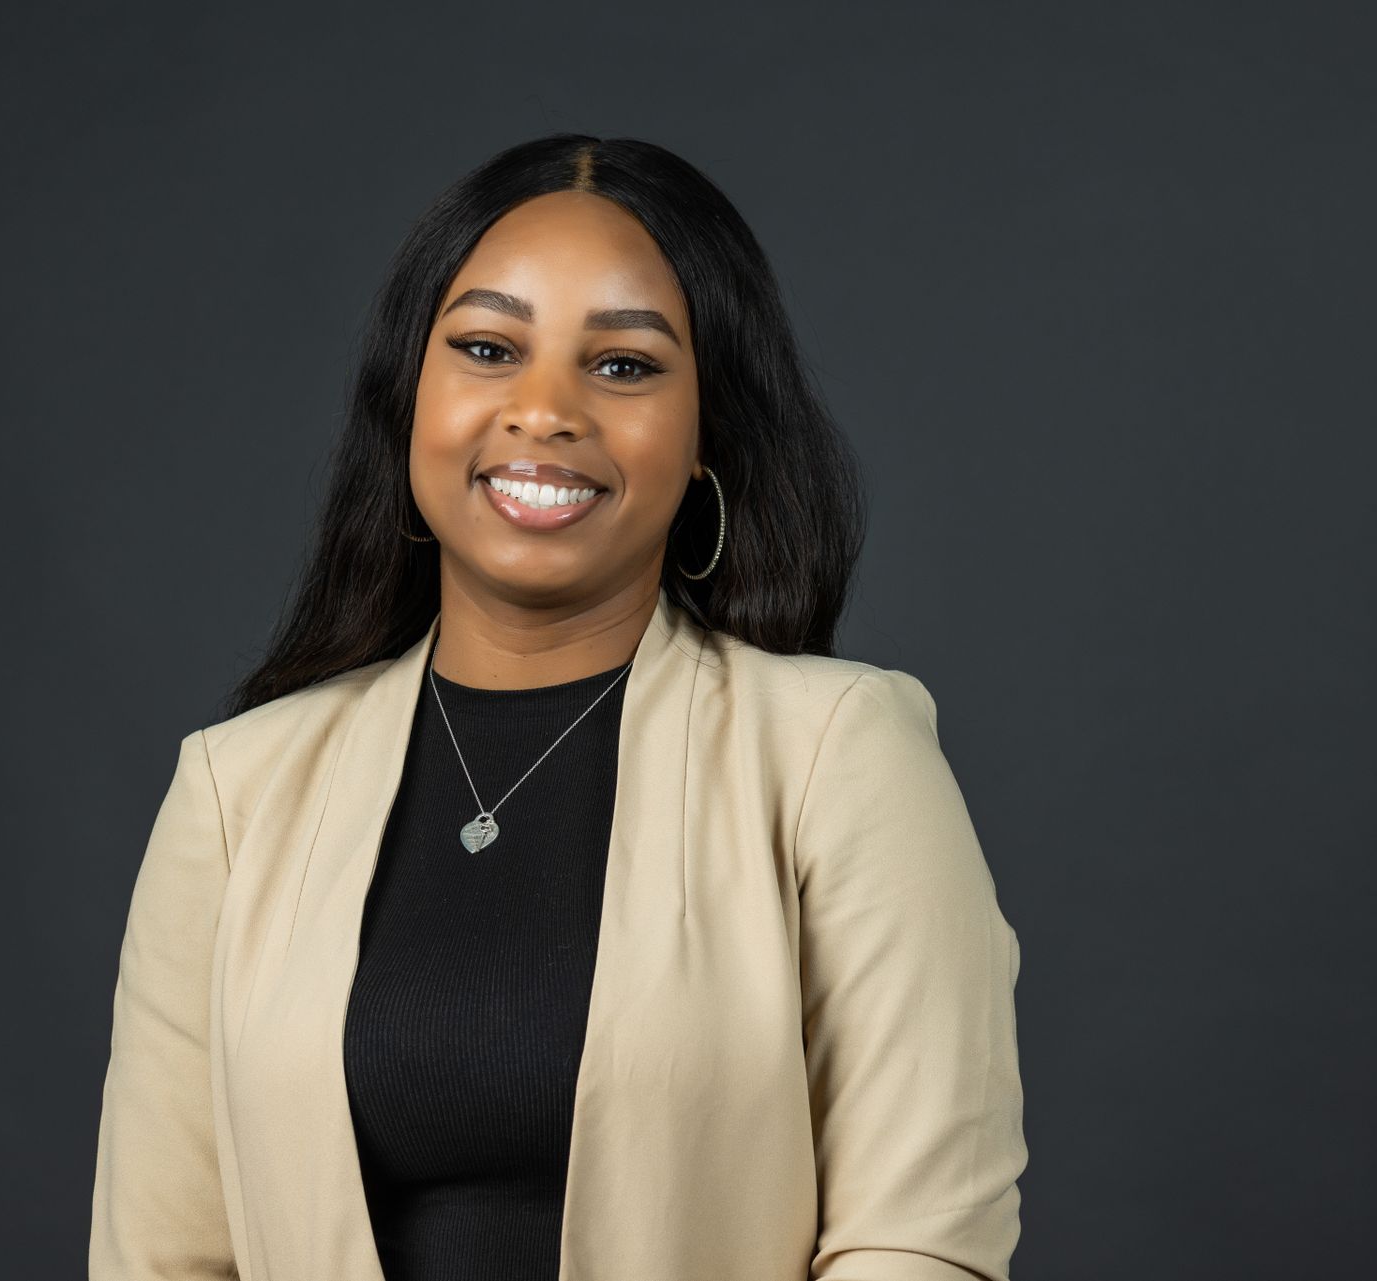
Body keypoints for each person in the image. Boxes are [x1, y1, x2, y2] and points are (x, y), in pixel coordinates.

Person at [88, 133, 1027, 1281]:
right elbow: (162, 1259)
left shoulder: (840, 757)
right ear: (409, 403)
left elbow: (920, 1244)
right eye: (488, 348)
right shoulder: (236, 796)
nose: (544, 411)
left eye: (624, 366)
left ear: (704, 439)